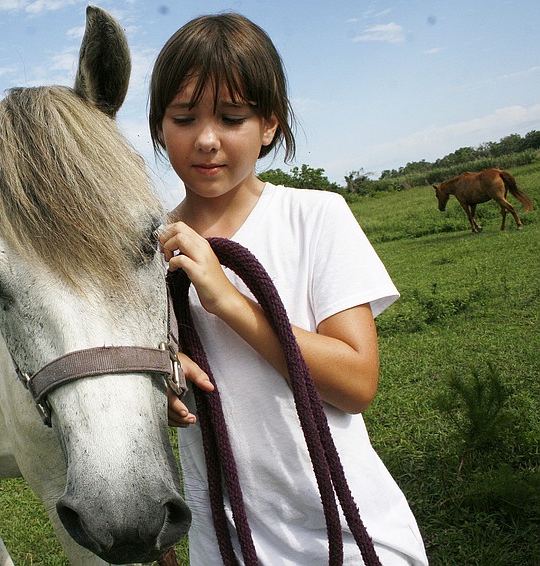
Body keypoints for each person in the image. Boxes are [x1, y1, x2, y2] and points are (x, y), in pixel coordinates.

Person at [150, 13, 429, 565]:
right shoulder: (147, 254)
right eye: (184, 117)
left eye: (232, 118)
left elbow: (356, 381)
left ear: (270, 125)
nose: (207, 140)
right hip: (229, 546)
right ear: (160, 125)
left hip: (352, 537)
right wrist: (156, 387)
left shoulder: (315, 216)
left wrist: (229, 303)